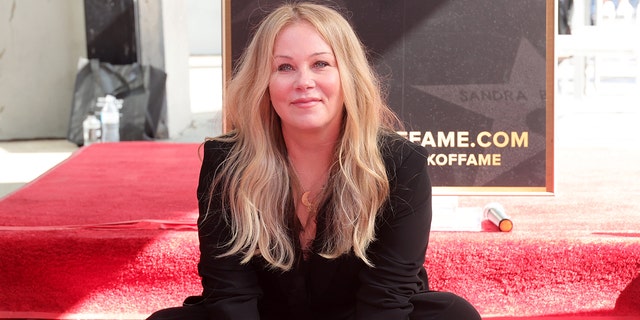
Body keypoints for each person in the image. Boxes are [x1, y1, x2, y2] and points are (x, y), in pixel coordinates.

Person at [147, 2, 481, 319]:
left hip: (364, 314)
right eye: (284, 67)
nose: (304, 82)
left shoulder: (400, 164)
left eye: (321, 64)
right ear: (263, 82)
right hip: (265, 316)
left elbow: (388, 296)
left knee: (454, 314)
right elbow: (230, 290)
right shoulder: (226, 162)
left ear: (347, 75)